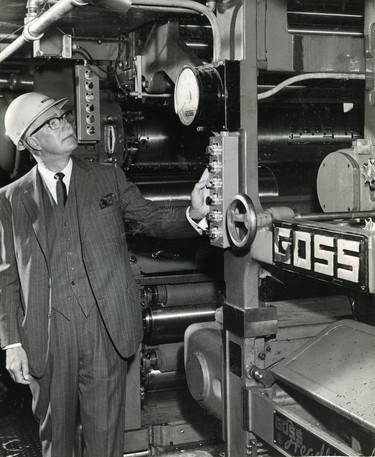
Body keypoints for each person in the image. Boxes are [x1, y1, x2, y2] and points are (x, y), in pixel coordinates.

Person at [0, 92, 209, 457]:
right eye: (52, 121)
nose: (65, 123)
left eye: (64, 115)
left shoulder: (107, 177)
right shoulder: (11, 198)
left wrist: (193, 212)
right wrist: (11, 343)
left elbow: (151, 219)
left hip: (104, 331)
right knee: (56, 442)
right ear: (32, 141)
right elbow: (7, 275)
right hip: (47, 338)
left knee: (105, 440)